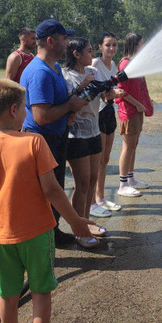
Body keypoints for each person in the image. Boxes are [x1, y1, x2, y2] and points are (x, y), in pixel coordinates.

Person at [0, 79, 94, 323]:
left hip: (2, 236)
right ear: (14, 111)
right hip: (37, 233)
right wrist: (76, 222)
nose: (27, 112)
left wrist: (2, 214)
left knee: (7, 294)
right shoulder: (34, 142)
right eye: (25, 107)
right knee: (40, 291)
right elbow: (52, 190)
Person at [20, 19, 88, 248]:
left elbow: (56, 104)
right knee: (45, 192)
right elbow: (41, 116)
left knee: (56, 187)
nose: (68, 43)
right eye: (64, 39)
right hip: (43, 141)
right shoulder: (40, 72)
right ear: (51, 41)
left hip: (56, 138)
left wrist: (68, 107)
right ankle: (42, 242)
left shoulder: (55, 67)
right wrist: (69, 108)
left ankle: (53, 233)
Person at [63, 38, 123, 246]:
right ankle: (79, 230)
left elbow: (105, 97)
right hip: (76, 134)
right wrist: (86, 86)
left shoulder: (93, 72)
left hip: (94, 131)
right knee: (81, 182)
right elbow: (72, 103)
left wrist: (110, 91)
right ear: (76, 54)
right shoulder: (67, 75)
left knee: (92, 179)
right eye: (89, 51)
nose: (92, 55)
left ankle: (86, 222)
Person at [115, 33, 154, 197]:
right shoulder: (125, 64)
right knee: (128, 147)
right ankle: (123, 184)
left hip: (137, 110)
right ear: (134, 45)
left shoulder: (135, 63)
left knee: (133, 146)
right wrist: (138, 104)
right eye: (141, 44)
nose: (143, 46)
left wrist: (146, 102)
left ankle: (130, 179)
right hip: (129, 111)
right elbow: (121, 91)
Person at [90, 32, 123, 217]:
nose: (111, 49)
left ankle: (101, 198)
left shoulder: (114, 66)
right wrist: (110, 94)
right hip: (98, 113)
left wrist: (115, 94)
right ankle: (94, 200)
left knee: (105, 160)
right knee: (97, 159)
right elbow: (93, 90)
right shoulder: (95, 64)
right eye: (108, 45)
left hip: (110, 111)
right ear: (100, 47)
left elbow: (109, 90)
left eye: (115, 45)